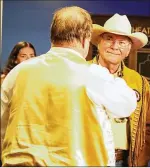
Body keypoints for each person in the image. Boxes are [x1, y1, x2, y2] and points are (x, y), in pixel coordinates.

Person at [1, 6, 137, 166]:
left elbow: (3, 126)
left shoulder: (18, 72)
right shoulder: (93, 74)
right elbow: (127, 105)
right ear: (85, 39)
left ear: (53, 37)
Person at [89, 13, 150, 166]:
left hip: (123, 161)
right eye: (109, 39)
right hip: (87, 160)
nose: (115, 46)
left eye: (122, 42)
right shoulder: (81, 73)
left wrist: (140, 162)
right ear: (98, 43)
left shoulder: (139, 82)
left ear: (129, 50)